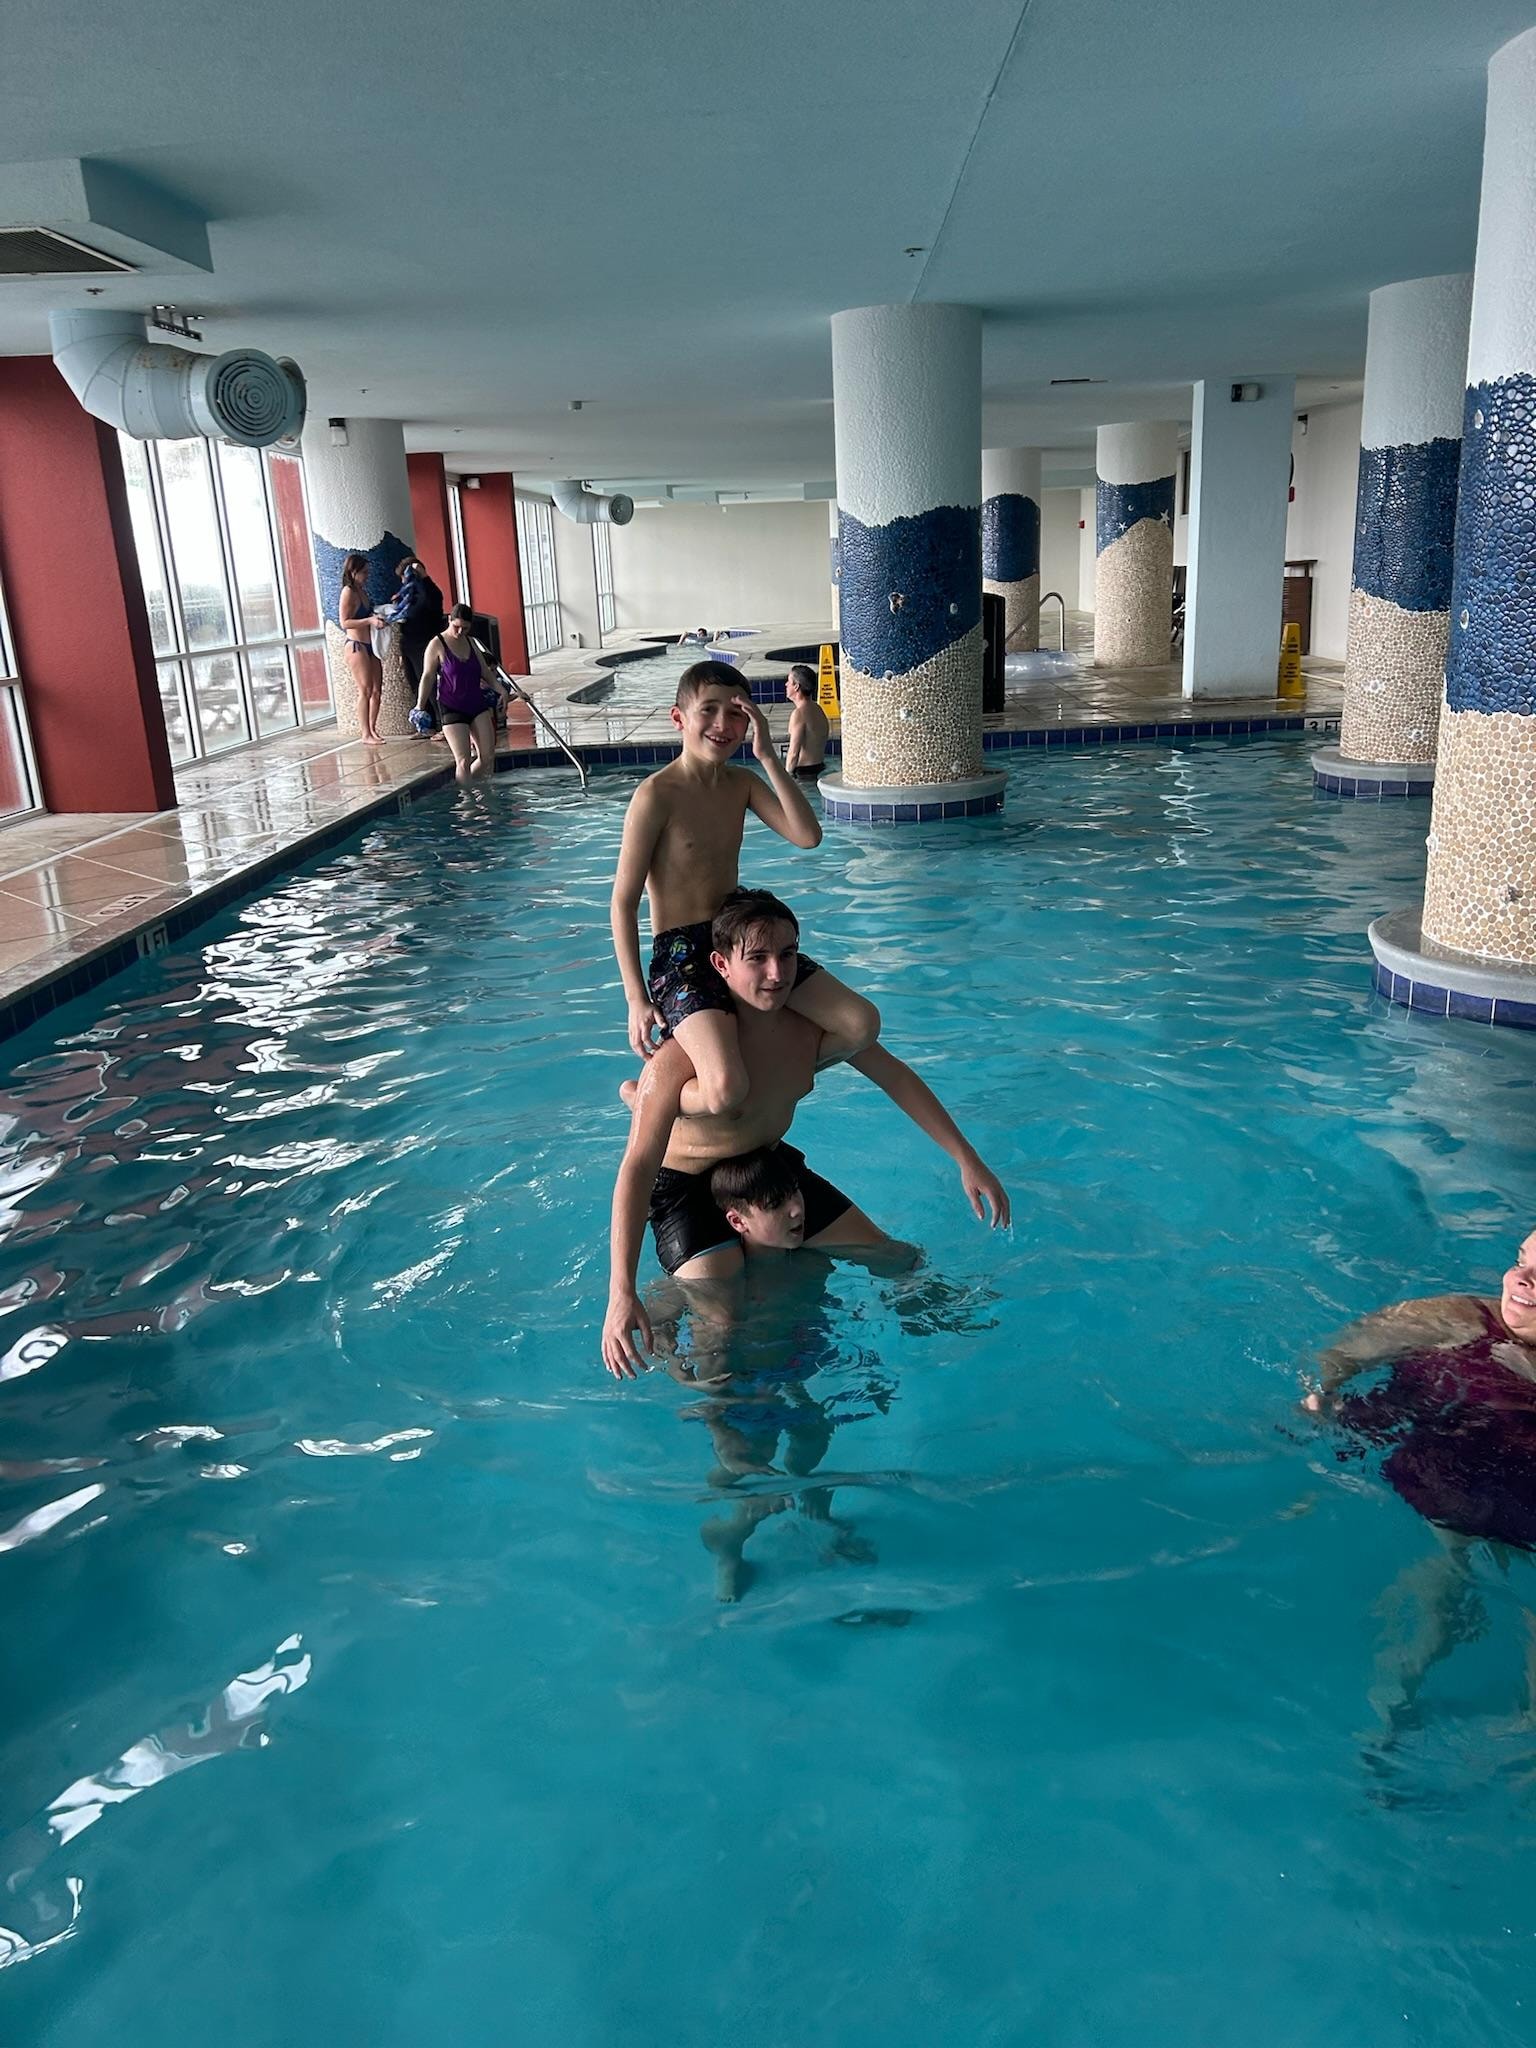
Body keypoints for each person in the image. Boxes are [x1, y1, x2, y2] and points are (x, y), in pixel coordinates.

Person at [601, 888, 1009, 1378]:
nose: (777, 973)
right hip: (686, 1189)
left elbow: (896, 1076)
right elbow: (638, 1165)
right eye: (758, 958)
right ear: (721, 965)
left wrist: (967, 1158)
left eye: (788, 954)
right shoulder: (679, 1059)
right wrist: (619, 1293)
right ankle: (700, 1373)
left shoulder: (811, 1032)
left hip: (765, 1169)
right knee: (722, 1328)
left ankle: (967, 1355)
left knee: (894, 1257)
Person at [610, 661, 879, 1121]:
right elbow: (623, 902)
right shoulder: (657, 795)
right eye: (708, 711)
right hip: (681, 953)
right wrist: (636, 998)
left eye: (736, 713)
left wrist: (769, 758)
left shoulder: (742, 784)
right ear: (679, 718)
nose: (722, 725)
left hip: (739, 941)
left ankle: (772, 1072)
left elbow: (807, 836)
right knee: (723, 1091)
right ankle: (649, 1097)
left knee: (861, 1024)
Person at [1304, 1228, 1536, 1728]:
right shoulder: (1461, 1318)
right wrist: (1320, 1394)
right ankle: (1384, 1724)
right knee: (1432, 1609)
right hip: (1449, 1493)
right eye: (1521, 1259)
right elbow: (1347, 1348)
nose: (1521, 1279)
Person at [414, 604, 511, 785]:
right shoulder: (437, 644)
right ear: (449, 620)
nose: (459, 631)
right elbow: (427, 677)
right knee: (463, 760)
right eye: (456, 626)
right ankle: (467, 803)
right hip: (452, 706)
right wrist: (420, 706)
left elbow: (485, 672)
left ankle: (471, 787)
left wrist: (501, 689)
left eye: (465, 628)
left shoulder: (471, 642)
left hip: (476, 704)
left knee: (487, 756)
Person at [337, 553, 386, 743]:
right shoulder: (348, 592)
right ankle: (365, 733)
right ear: (353, 572)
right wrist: (369, 620)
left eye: (367, 572)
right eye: (364, 572)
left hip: (370, 645)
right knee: (365, 689)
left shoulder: (361, 591)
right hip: (356, 645)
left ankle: (372, 729)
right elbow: (345, 622)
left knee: (376, 691)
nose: (367, 576)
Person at [391, 556, 447, 704]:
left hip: (425, 644)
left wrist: (424, 576)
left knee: (429, 685)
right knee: (415, 685)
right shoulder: (407, 596)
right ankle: (426, 721)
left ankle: (440, 721)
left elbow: (432, 602)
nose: (403, 582)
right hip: (409, 644)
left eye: (404, 577)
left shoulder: (429, 592)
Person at [784, 663, 830, 781]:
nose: (786, 684)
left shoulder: (798, 714)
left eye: (789, 681)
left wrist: (787, 778)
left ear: (796, 687)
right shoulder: (819, 709)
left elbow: (793, 753)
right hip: (820, 769)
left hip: (803, 774)